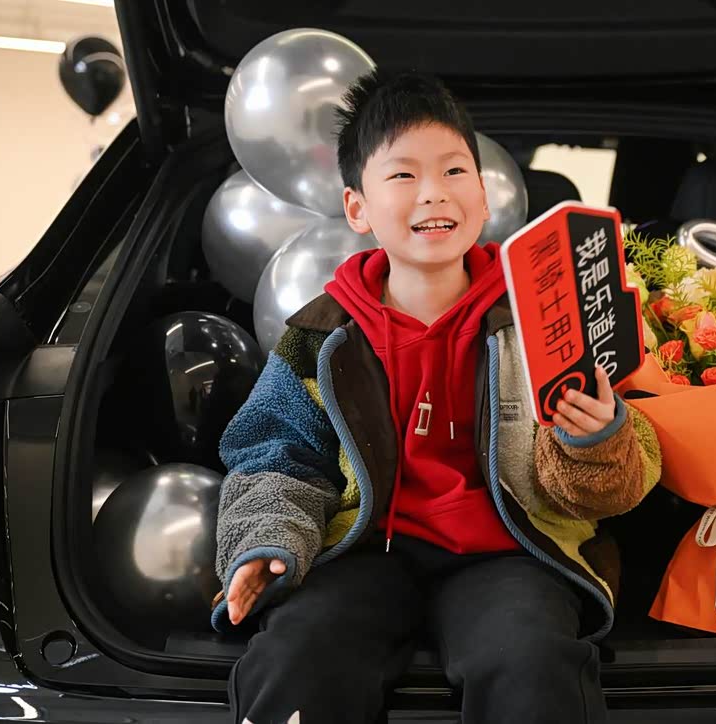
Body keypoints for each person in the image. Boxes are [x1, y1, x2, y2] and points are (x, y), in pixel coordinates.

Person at [212, 68, 662, 724]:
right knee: (299, 654)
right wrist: (267, 542)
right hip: (364, 553)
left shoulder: (542, 318)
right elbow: (274, 457)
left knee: (530, 661)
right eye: (403, 175)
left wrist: (595, 439)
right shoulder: (322, 335)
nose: (434, 193)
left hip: (511, 553)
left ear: (482, 193)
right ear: (357, 208)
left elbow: (627, 479)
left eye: (455, 171)